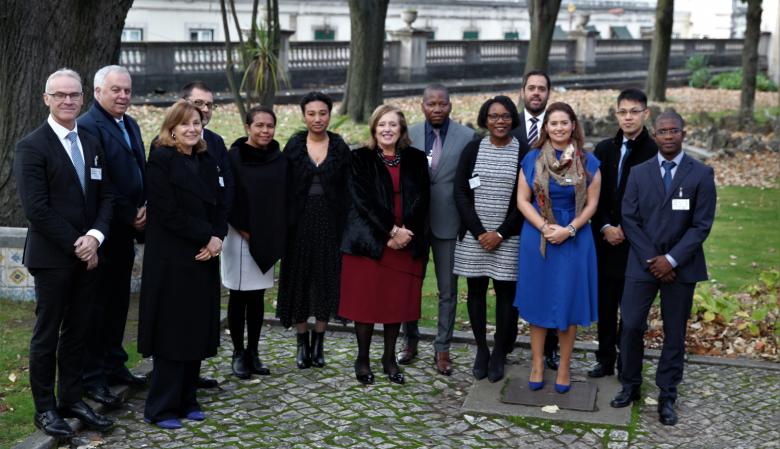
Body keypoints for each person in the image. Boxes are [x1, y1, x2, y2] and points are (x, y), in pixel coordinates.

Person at [15, 68, 115, 437]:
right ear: (47, 99)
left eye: (73, 95)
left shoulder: (90, 140)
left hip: (90, 255)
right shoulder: (32, 145)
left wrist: (96, 237)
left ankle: (71, 398)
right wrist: (79, 244)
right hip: (53, 258)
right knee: (47, 334)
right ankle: (45, 409)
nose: (68, 101)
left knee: (78, 332)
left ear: (82, 98)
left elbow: (107, 196)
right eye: (60, 95)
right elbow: (36, 208)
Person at [610, 111, 716, 426]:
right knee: (630, 325)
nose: (668, 136)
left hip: (682, 267)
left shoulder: (701, 173)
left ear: (684, 133)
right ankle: (630, 384)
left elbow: (701, 225)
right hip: (643, 264)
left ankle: (668, 392)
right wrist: (653, 259)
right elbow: (629, 218)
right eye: (662, 131)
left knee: (674, 333)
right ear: (654, 136)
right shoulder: (639, 173)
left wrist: (670, 260)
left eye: (674, 130)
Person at [138, 100, 226, 429]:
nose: (192, 129)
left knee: (196, 329)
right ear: (171, 128)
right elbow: (167, 211)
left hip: (204, 256)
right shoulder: (160, 159)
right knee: (172, 332)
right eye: (185, 124)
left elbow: (219, 201)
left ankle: (188, 399)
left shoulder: (205, 157)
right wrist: (207, 237)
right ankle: (160, 408)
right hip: (173, 258)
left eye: (197, 123)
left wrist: (217, 237)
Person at [339, 105, 430, 385]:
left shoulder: (415, 158)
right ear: (373, 128)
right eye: (382, 124)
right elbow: (361, 200)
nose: (387, 129)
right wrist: (391, 230)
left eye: (393, 124)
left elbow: (423, 197)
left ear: (402, 129)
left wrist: (405, 233)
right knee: (366, 304)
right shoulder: (359, 158)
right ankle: (363, 358)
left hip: (407, 241)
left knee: (396, 304)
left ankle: (389, 359)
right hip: (371, 240)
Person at [514, 101, 601, 394]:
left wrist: (569, 229)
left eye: (564, 123)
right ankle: (537, 363)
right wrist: (544, 227)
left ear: (573, 126)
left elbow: (592, 204)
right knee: (538, 302)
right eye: (553, 123)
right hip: (539, 236)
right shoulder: (532, 159)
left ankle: (564, 366)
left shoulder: (589, 162)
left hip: (575, 237)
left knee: (567, 302)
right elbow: (522, 200)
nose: (559, 128)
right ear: (546, 128)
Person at [78, 66, 147, 407]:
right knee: (98, 307)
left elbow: (138, 170)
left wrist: (144, 205)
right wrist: (128, 213)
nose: (122, 96)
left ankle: (115, 365)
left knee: (119, 303)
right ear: (97, 92)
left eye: (127, 91)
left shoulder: (130, 123)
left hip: (128, 231)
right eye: (115, 90)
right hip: (104, 230)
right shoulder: (89, 126)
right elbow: (101, 182)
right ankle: (93, 377)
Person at [398, 84, 476, 375]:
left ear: (450, 105)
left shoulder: (468, 137)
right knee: (410, 287)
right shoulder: (409, 135)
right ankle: (410, 341)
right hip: (414, 224)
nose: (437, 109)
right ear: (422, 106)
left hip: (449, 223)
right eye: (431, 104)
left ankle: (442, 348)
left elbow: (472, 182)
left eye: (442, 104)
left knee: (448, 290)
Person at [453, 95, 525, 383]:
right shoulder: (472, 149)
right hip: (474, 236)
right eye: (494, 116)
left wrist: (500, 233)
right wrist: (480, 232)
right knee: (476, 292)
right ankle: (482, 348)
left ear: (513, 120)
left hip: (508, 237)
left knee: (507, 296)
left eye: (506, 116)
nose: (500, 121)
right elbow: (460, 191)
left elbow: (525, 200)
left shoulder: (524, 152)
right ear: (485, 119)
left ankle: (499, 353)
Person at [276, 92, 350, 369]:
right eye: (311, 113)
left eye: (322, 113)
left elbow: (348, 189)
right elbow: (282, 187)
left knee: (324, 281)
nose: (317, 118)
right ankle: (301, 343)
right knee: (298, 282)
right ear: (303, 115)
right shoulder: (294, 145)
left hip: (330, 226)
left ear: (329, 115)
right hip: (298, 225)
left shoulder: (340, 146)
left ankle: (319, 343)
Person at [588, 88, 657, 379]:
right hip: (605, 240)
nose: (628, 117)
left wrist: (626, 231)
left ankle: (626, 362)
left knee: (630, 311)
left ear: (645, 114)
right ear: (616, 114)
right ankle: (604, 358)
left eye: (634, 111)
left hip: (636, 244)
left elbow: (653, 203)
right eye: (623, 112)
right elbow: (594, 195)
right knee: (605, 304)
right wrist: (604, 226)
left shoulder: (654, 152)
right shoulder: (604, 149)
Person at [221, 106, 287, 379]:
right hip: (239, 234)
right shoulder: (234, 157)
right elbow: (228, 196)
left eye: (269, 126)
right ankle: (238, 352)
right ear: (248, 127)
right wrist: (245, 229)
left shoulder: (278, 159)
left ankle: (253, 352)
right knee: (239, 296)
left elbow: (283, 197)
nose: (265, 131)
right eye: (259, 125)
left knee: (258, 296)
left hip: (267, 235)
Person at [182, 81, 234, 389]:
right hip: (185, 243)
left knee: (203, 311)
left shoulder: (215, 142)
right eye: (199, 103)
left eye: (209, 105)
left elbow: (227, 189)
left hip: (211, 241)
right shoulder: (166, 144)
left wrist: (218, 234)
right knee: (183, 312)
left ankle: (196, 368)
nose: (205, 110)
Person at [511, 69, 560, 371]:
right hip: (512, 222)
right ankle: (506, 344)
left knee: (551, 287)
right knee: (513, 291)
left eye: (542, 88)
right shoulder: (506, 123)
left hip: (550, 225)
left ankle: (551, 350)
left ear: (548, 93)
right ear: (523, 91)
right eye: (531, 88)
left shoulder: (558, 127)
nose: (537, 93)